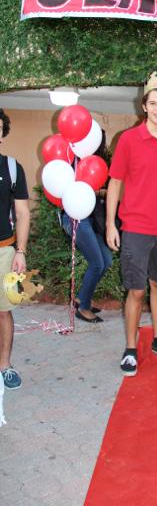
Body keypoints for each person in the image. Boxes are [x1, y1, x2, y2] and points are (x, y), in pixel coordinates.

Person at [106, 72, 157, 376]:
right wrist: (111, 225)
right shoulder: (128, 139)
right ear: (144, 106)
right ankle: (130, 347)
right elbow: (114, 183)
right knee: (137, 290)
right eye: (152, 103)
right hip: (136, 228)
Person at [61, 130, 112, 323]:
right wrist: (101, 192)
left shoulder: (95, 162)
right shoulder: (71, 161)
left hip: (92, 218)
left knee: (106, 261)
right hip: (75, 217)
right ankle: (83, 308)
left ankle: (82, 297)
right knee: (97, 262)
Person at [0, 109, 30, 390]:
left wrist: (20, 251)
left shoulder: (11, 168)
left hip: (5, 252)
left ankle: (5, 366)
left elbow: (22, 213)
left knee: (4, 311)